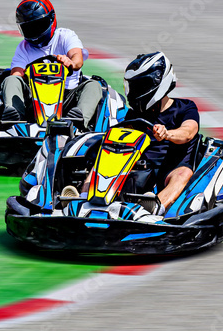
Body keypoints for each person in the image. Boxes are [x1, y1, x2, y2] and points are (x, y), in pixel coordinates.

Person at [61, 52, 199, 215]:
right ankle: (85, 199)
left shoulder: (185, 107)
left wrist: (167, 134)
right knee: (104, 154)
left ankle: (155, 207)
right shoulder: (135, 114)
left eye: (140, 86)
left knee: (183, 173)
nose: (135, 91)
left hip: (170, 169)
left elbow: (188, 132)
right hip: (140, 166)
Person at [0, 0, 103, 126]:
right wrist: (27, 74)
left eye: (38, 26)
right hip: (34, 100)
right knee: (11, 80)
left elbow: (77, 58)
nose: (34, 32)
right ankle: (15, 118)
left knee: (94, 85)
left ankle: (78, 120)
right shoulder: (23, 48)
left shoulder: (65, 36)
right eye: (29, 28)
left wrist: (70, 63)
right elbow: (16, 74)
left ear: (51, 19)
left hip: (67, 97)